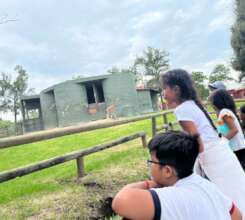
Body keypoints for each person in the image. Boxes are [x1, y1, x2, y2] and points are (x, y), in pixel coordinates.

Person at [160, 69, 245, 215]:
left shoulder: (181, 110)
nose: (163, 93)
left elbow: (197, 144)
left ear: (176, 90)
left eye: (165, 88)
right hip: (221, 152)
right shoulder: (192, 104)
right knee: (238, 191)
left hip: (213, 158)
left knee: (229, 196)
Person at [112, 131, 243, 220]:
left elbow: (121, 201)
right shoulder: (205, 185)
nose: (149, 165)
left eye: (151, 161)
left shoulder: (174, 196)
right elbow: (237, 215)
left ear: (167, 171)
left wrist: (150, 184)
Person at [209, 89, 245, 170]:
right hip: (236, 148)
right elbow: (224, 128)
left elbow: (234, 130)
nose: (211, 104)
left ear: (217, 101)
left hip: (237, 148)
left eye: (211, 101)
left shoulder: (224, 112)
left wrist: (221, 142)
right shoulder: (223, 112)